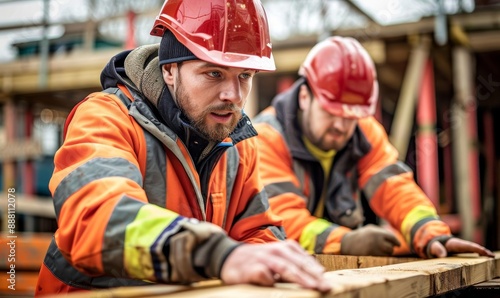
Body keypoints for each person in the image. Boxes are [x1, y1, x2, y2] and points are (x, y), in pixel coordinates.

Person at [35, 0, 331, 295]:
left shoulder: (238, 144)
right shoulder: (105, 117)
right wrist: (216, 254)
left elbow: (258, 233)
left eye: (244, 76)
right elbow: (96, 220)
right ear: (170, 71)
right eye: (214, 73)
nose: (233, 95)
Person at [252, 36, 495, 259]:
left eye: (351, 116)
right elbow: (280, 222)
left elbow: (395, 187)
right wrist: (346, 241)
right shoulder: (266, 137)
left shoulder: (363, 130)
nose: (341, 125)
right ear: (305, 96)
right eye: (332, 112)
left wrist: (429, 232)